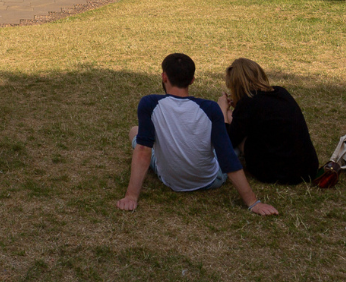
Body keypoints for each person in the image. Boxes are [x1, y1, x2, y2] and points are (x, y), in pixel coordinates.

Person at [117, 53, 278, 216]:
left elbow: (144, 150)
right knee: (228, 143)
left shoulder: (149, 104)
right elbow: (226, 156)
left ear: (164, 77)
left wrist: (131, 196)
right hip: (211, 180)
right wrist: (253, 202)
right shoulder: (210, 108)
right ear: (192, 80)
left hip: (169, 179)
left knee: (135, 132)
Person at [217, 58, 321, 185]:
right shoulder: (281, 92)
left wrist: (222, 110)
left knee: (229, 116)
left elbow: (228, 141)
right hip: (307, 168)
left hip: (278, 173)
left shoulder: (248, 103)